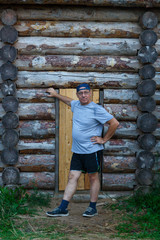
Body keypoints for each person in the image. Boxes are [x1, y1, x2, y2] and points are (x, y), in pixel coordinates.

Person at [46, 83, 119, 217]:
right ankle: (63, 208)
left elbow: (114, 123)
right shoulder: (77, 105)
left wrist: (103, 139)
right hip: (78, 151)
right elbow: (68, 101)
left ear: (90, 93)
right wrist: (56, 95)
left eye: (86, 92)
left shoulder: (96, 109)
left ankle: (92, 207)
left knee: (92, 177)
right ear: (77, 94)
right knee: (72, 177)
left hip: (92, 151)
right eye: (81, 93)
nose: (83, 95)